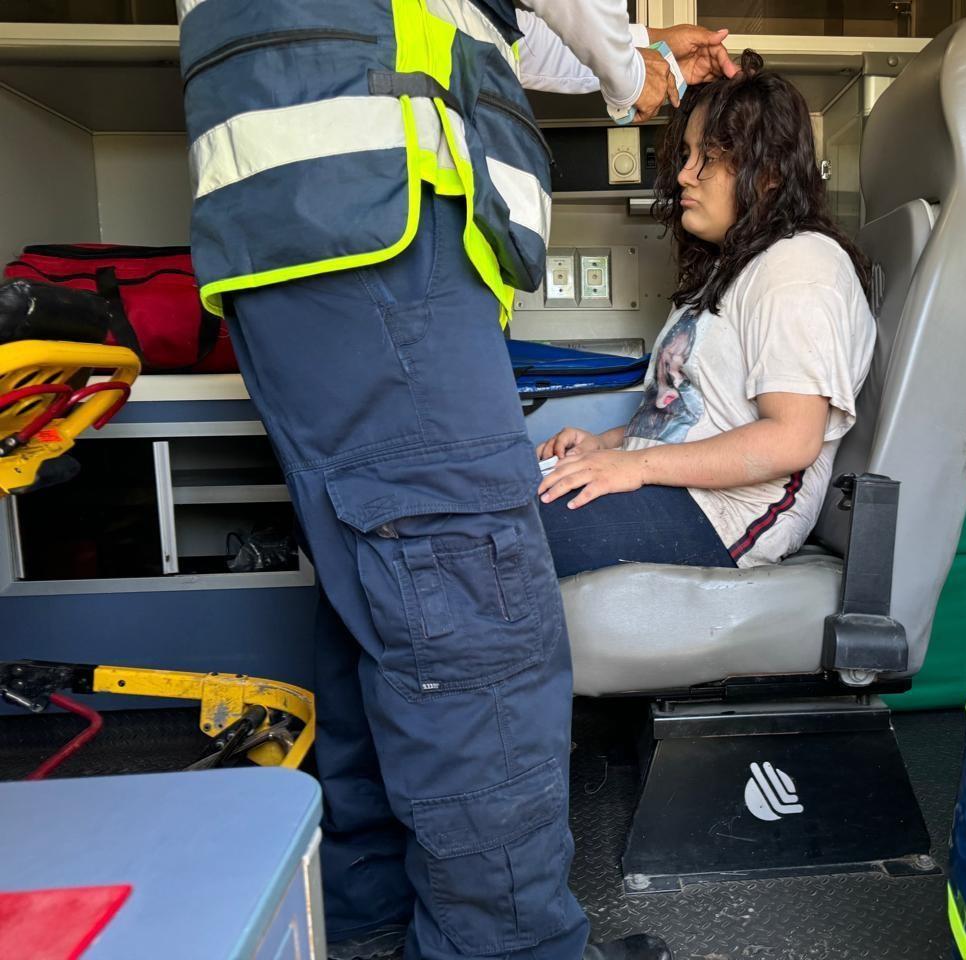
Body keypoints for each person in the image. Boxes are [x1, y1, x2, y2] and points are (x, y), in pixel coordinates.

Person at [176, 3, 734, 960]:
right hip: (381, 208)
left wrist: (635, 54)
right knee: (478, 618)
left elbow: (480, 23)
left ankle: (375, 914)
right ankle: (510, 949)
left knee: (385, 600)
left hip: (307, 219)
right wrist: (627, 68)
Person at [537, 52, 877, 578]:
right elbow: (692, 416)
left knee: (489, 539)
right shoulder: (732, 270)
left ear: (767, 173)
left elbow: (792, 438)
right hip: (681, 492)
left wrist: (635, 464)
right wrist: (605, 445)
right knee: (482, 512)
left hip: (727, 516)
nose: (683, 176)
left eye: (708, 158)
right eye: (687, 155)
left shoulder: (799, 265)